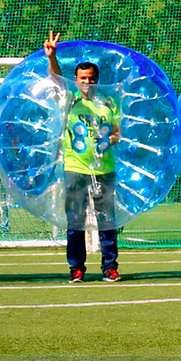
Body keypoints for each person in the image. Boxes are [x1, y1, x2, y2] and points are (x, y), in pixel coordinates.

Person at [44, 30, 121, 283]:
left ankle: (110, 267)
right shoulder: (69, 100)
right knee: (75, 220)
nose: (86, 82)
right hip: (76, 169)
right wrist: (52, 56)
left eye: (91, 78)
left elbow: (117, 134)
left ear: (97, 80)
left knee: (107, 221)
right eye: (82, 78)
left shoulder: (108, 103)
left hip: (104, 169)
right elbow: (55, 80)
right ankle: (76, 268)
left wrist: (106, 141)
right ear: (75, 80)